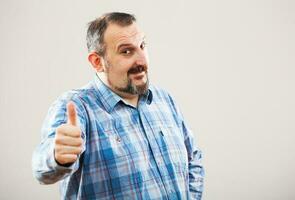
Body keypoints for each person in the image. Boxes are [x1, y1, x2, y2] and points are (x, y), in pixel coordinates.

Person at [32, 12, 204, 199]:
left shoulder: (164, 100)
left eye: (142, 46)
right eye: (126, 51)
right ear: (98, 62)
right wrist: (58, 156)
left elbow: (193, 158)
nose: (142, 61)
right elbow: (43, 170)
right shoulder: (77, 107)